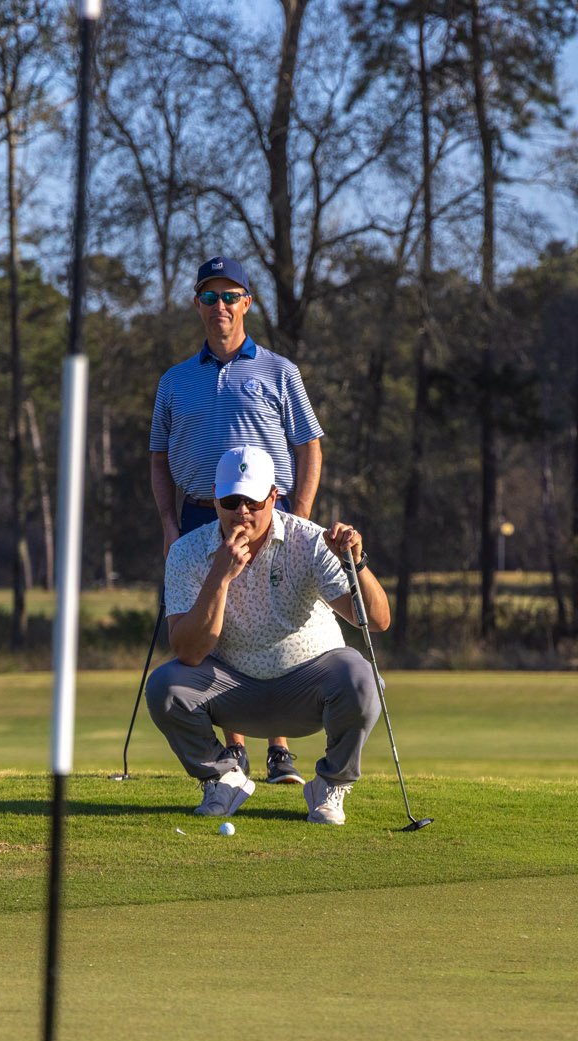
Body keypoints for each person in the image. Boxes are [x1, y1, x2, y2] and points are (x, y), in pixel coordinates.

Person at [148, 254, 325, 786]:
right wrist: (168, 524)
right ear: (197, 304)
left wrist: (299, 516)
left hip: (269, 513)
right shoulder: (174, 381)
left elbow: (309, 446)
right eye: (210, 296)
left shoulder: (279, 371)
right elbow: (158, 457)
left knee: (274, 618)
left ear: (247, 303)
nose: (219, 306)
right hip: (201, 513)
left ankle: (279, 750)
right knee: (217, 623)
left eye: (230, 296)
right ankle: (235, 748)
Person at [147, 446, 390, 826]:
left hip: (308, 686)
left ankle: (329, 785)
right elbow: (188, 652)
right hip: (232, 691)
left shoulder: (310, 540)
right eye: (231, 501)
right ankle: (223, 779)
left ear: (274, 497)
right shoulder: (186, 552)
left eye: (253, 501)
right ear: (215, 499)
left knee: (361, 677)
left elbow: (375, 621)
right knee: (165, 686)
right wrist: (219, 577)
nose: (242, 511)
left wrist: (355, 563)